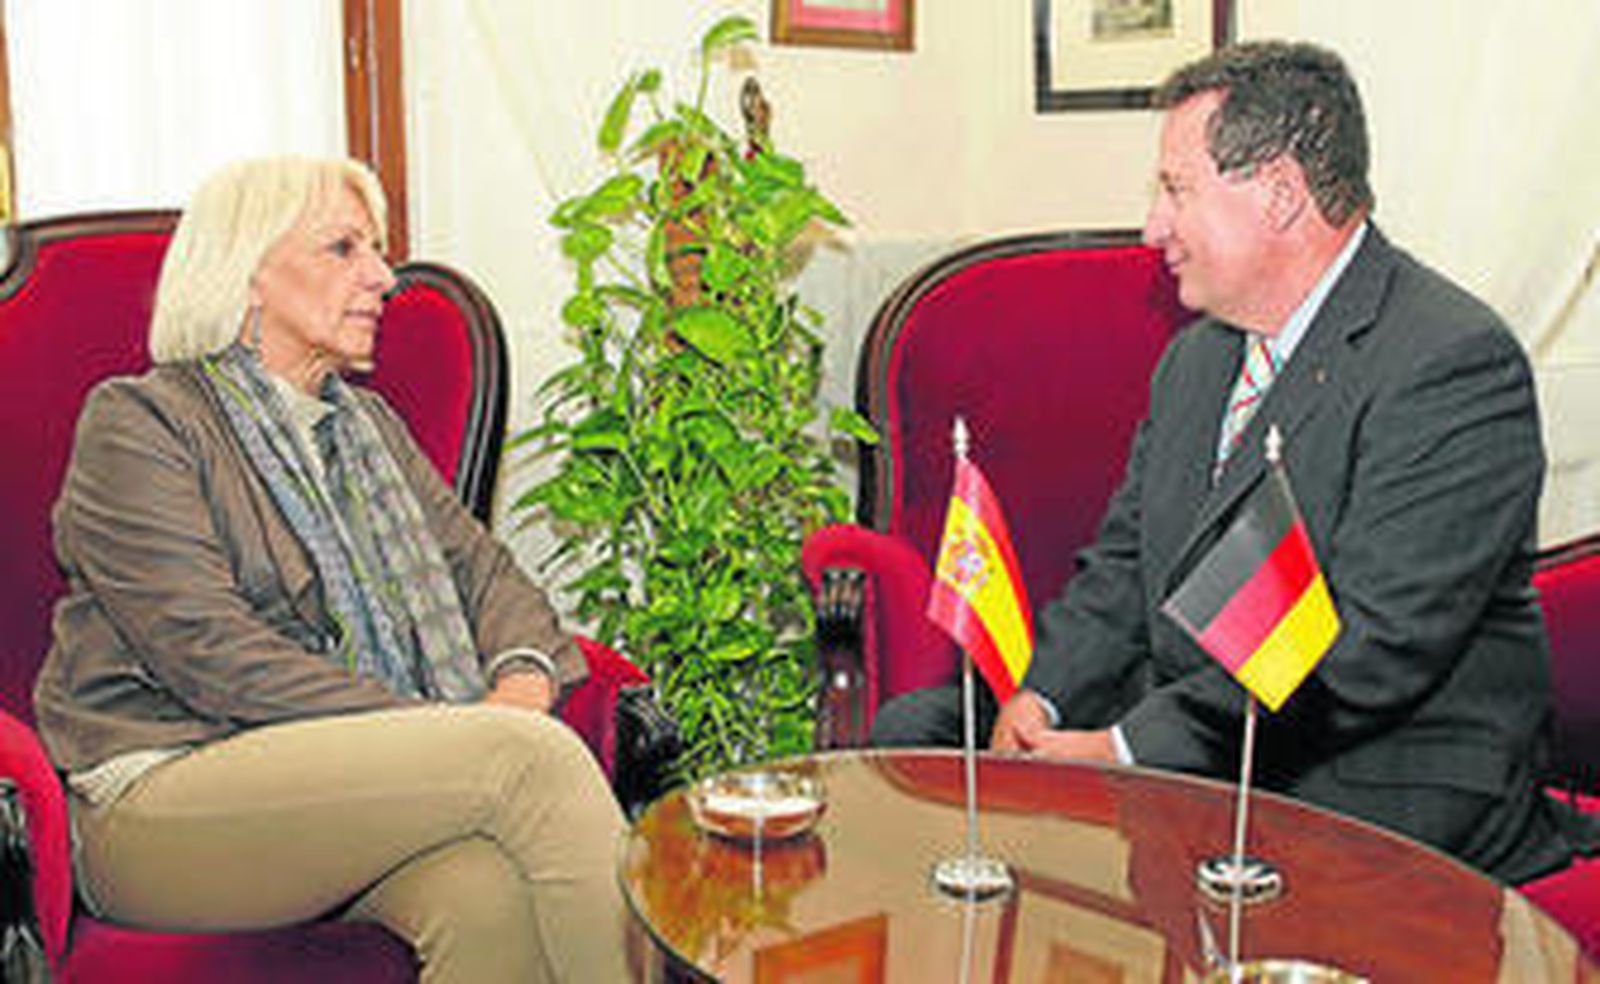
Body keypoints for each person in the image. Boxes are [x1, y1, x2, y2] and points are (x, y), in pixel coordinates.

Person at [872, 41, 1587, 885]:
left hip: (1368, 763)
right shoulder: (1197, 358)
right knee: (918, 735)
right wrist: (1043, 699)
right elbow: (1123, 570)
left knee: (1197, 845)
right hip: (1210, 722)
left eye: (1176, 191)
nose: (1152, 228)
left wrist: (1127, 750)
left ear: (1280, 194)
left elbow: (1366, 652)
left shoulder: (1450, 362)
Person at [32, 157, 631, 982]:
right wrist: (459, 733)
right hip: (157, 798)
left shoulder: (369, 428)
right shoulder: (141, 423)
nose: (383, 277)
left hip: (334, 792)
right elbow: (214, 656)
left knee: (484, 896)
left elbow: (491, 580)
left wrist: (520, 682)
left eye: (378, 250)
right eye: (343, 248)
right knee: (526, 761)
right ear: (247, 277)